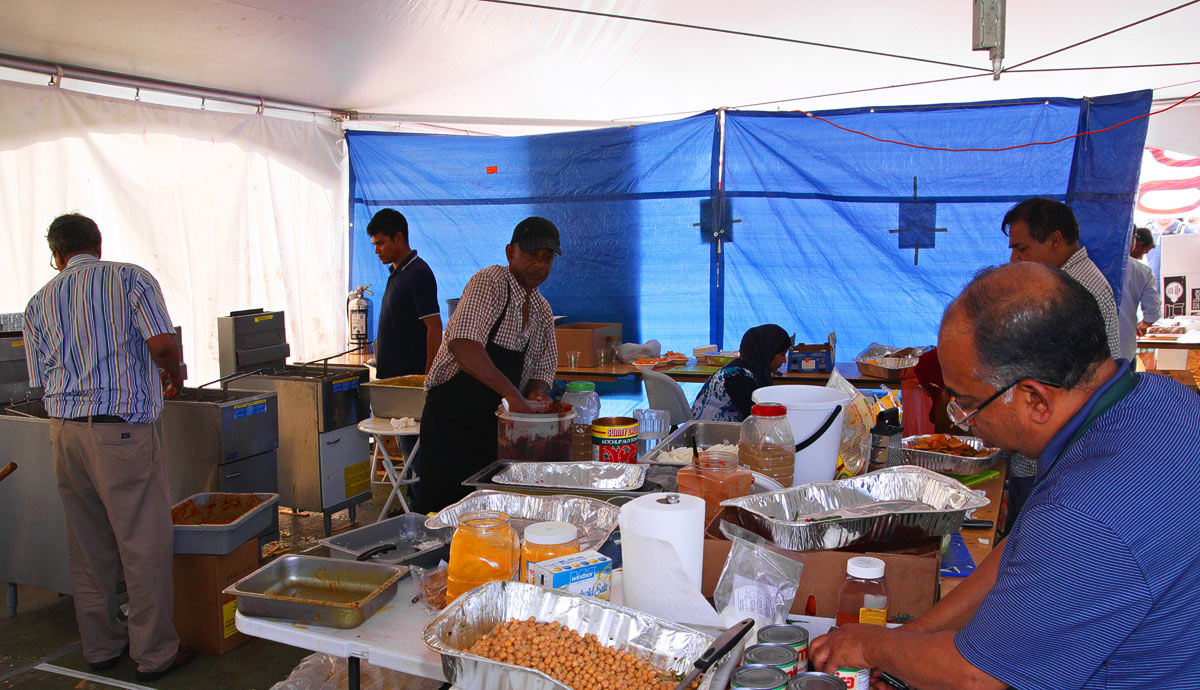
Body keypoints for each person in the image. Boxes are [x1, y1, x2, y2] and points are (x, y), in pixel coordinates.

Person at [810, 262, 1200, 690]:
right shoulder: (1161, 399)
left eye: (967, 403)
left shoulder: (1083, 516)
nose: (963, 421)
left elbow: (978, 676)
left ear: (1035, 400)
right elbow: (1023, 549)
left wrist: (873, 647)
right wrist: (911, 637)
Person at [22, 214, 194, 681]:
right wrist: (174, 373)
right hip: (120, 432)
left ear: (56, 255)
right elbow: (162, 345)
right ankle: (155, 654)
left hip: (65, 433)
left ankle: (100, 646)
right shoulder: (130, 278)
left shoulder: (38, 302)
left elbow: (41, 379)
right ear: (98, 244)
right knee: (143, 543)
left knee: (87, 543)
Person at [415, 217, 561, 512]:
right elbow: (463, 344)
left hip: (493, 437)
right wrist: (513, 397)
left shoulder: (542, 310)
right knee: (440, 514)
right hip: (451, 427)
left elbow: (542, 368)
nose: (539, 264)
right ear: (511, 253)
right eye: (532, 254)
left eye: (547, 258)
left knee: (486, 517)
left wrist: (535, 393)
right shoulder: (490, 283)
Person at [1000, 198, 1121, 526]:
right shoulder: (1066, 280)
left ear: (1055, 240)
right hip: (1055, 446)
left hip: (1058, 449)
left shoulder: (1073, 289)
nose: (1014, 259)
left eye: (1022, 248)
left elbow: (1048, 371)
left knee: (1034, 538)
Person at [367, 208, 442, 378]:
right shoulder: (398, 272)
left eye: (380, 243)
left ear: (399, 238)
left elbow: (434, 325)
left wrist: (428, 375)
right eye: (374, 244)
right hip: (391, 378)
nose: (376, 250)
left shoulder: (417, 273)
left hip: (410, 379)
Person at [691, 324, 792, 422]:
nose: (784, 360)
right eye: (782, 354)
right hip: (711, 431)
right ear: (767, 353)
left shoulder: (751, 370)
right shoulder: (737, 377)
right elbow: (759, 419)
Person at [1118, 226, 1161, 361]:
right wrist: (1144, 325)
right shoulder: (1142, 271)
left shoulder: (1087, 266)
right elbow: (1153, 311)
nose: (1142, 257)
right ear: (1133, 241)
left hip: (1089, 353)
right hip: (1123, 349)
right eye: (1143, 252)